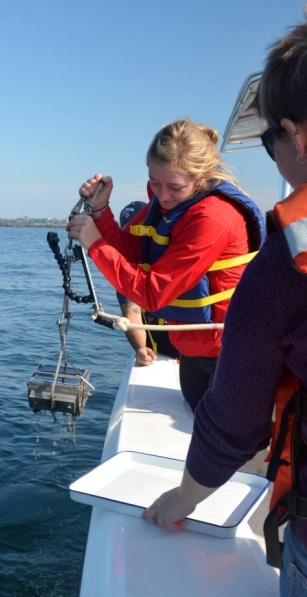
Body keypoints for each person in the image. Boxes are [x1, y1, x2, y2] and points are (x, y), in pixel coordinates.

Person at [141, 22, 307, 597]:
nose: (161, 198)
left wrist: (180, 500)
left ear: (296, 135)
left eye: (270, 141)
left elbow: (238, 415)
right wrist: (106, 220)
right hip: (194, 356)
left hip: (215, 359)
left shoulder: (279, 252)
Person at [66, 119, 264, 412]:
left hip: (230, 356)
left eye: (175, 186)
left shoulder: (213, 217)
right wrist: (100, 210)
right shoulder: (166, 204)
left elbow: (153, 293)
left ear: (203, 176)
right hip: (194, 351)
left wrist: (95, 243)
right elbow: (133, 252)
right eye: (154, 183)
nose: (163, 194)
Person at [117, 201, 180, 366]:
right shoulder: (127, 271)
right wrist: (141, 349)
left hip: (197, 349)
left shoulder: (177, 257)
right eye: (129, 236)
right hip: (160, 351)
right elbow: (132, 315)